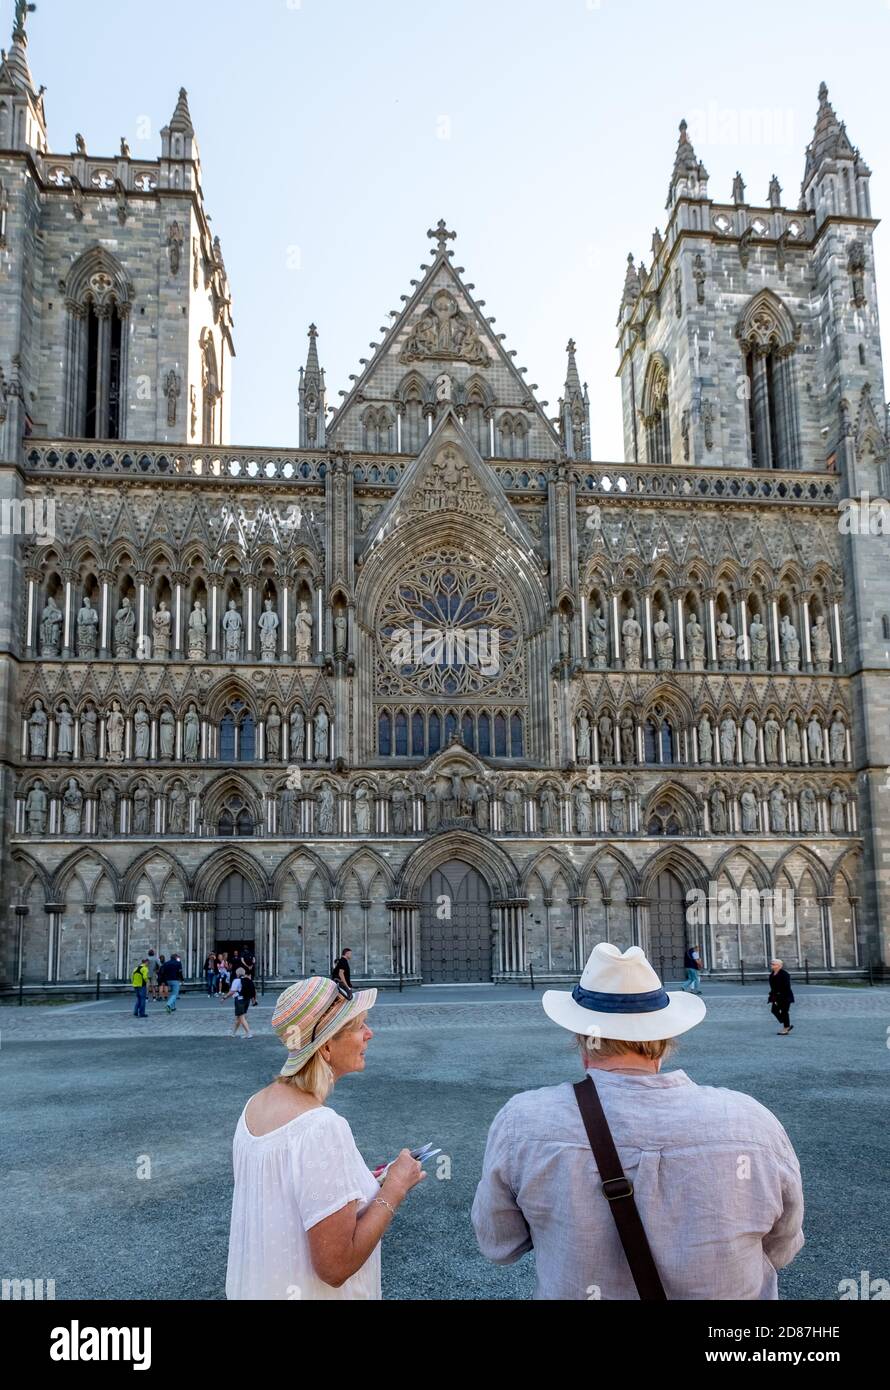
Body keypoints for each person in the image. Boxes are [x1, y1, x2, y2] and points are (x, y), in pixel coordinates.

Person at [472, 942, 804, 1300]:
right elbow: (782, 1247)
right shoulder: (753, 1123)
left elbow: (500, 1244)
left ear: (583, 1040)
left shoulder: (523, 1123)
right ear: (663, 1041)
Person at [226, 978, 426, 1300]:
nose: (369, 1033)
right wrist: (395, 1188)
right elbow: (335, 1266)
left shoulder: (254, 1108)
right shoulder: (320, 1128)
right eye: (359, 1025)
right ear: (327, 1047)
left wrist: (363, 1187)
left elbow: (287, 1202)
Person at [223, 967, 256, 1039]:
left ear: (237, 974)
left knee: (241, 1017)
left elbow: (232, 992)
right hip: (247, 1000)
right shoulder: (248, 980)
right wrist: (254, 1000)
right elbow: (253, 991)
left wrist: (224, 997)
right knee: (239, 1017)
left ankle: (248, 1033)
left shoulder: (236, 981)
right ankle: (233, 1033)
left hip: (239, 1000)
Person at [768, 959, 795, 1035]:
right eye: (771, 964)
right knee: (774, 1010)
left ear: (779, 965)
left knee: (784, 1012)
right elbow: (773, 987)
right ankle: (787, 1024)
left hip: (785, 996)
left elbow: (787, 986)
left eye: (773, 964)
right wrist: (773, 995)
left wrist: (780, 994)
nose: (771, 965)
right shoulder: (772, 974)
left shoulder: (784, 974)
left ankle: (786, 1028)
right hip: (775, 996)